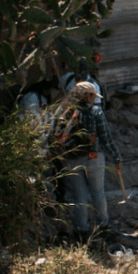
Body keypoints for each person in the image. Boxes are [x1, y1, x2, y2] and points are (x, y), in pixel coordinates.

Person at [53, 81, 123, 235]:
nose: (94, 99)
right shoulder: (95, 111)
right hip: (92, 156)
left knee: (79, 195)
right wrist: (116, 157)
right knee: (98, 191)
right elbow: (106, 138)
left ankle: (82, 229)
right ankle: (103, 224)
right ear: (88, 96)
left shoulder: (65, 112)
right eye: (93, 96)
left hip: (71, 159)